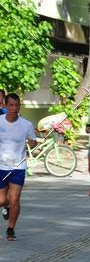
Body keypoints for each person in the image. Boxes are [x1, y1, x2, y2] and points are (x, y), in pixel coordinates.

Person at [0, 93, 37, 240]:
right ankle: (6, 206)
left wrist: (33, 143)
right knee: (2, 200)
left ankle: (10, 228)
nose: (14, 108)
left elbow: (33, 142)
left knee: (14, 198)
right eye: (11, 105)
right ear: (5, 105)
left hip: (18, 167)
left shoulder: (26, 124)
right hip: (1, 166)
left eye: (17, 105)